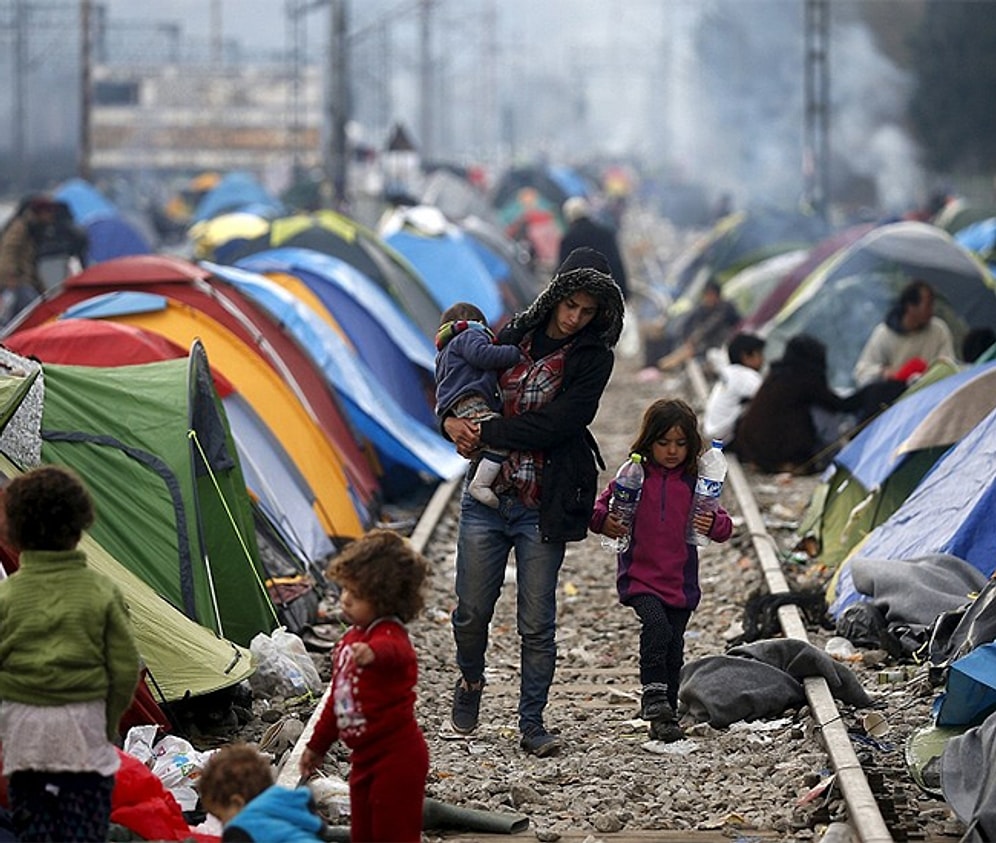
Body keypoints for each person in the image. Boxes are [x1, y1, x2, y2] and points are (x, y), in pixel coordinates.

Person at [442, 245, 625, 757]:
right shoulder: (510, 335)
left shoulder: (593, 359)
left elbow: (562, 422)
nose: (575, 318)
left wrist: (493, 429)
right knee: (471, 612)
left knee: (537, 621)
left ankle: (532, 722)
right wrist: (450, 423)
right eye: (572, 306)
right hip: (488, 497)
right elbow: (461, 380)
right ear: (556, 296)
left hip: (542, 502)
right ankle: (472, 680)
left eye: (589, 312)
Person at [0, 465, 140, 842]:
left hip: (25, 738)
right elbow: (127, 668)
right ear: (81, 524)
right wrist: (108, 721)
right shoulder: (102, 591)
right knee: (85, 828)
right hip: (84, 730)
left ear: (13, 531)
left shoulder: (8, 596)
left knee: (36, 828)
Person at [589, 398, 733, 743]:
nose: (671, 451)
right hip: (641, 577)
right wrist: (605, 522)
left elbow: (724, 527)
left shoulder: (695, 483)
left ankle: (666, 715)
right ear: (648, 441)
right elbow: (598, 509)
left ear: (692, 445)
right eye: (664, 442)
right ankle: (652, 695)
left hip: (681, 583)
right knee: (655, 627)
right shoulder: (634, 477)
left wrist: (712, 523)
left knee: (674, 645)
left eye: (680, 444)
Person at [300, 529, 430, 843]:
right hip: (363, 758)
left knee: (393, 831)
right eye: (344, 590)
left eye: (355, 596)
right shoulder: (351, 639)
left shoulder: (388, 635)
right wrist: (317, 746)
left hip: (397, 757)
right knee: (364, 832)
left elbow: (397, 652)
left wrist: (374, 653)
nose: (344, 599)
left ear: (383, 599)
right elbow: (336, 702)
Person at [730, 334, 864, 474]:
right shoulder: (805, 378)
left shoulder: (777, 375)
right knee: (824, 412)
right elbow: (837, 404)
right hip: (780, 453)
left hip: (754, 450)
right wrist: (870, 392)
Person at [435, 301, 523, 507]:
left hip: (457, 406)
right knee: (498, 437)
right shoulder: (469, 334)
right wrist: (513, 353)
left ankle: (483, 473)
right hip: (472, 399)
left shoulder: (444, 352)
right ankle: (481, 484)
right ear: (477, 322)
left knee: (479, 440)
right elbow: (483, 356)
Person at [199, 743, 327, 842]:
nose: (222, 826)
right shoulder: (292, 811)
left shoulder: (242, 830)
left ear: (237, 803)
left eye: (221, 818)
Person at [852, 279, 955, 388]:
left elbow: (948, 365)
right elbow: (861, 373)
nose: (932, 310)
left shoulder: (938, 330)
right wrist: (884, 372)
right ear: (910, 306)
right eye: (928, 305)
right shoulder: (884, 333)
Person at [652, 279, 741, 371]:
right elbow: (689, 322)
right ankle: (662, 365)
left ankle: (664, 366)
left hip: (720, 343)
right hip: (702, 343)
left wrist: (695, 338)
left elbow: (710, 326)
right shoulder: (703, 308)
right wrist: (690, 338)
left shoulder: (725, 308)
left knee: (686, 352)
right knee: (682, 352)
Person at [558, 196, 629, 298]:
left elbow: (563, 272)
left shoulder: (569, 239)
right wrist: (623, 292)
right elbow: (616, 264)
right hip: (608, 292)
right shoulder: (606, 234)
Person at [702, 332, 766, 444]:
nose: (763, 359)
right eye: (759, 354)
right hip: (725, 439)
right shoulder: (745, 375)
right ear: (746, 357)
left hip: (712, 433)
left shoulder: (731, 372)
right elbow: (767, 396)